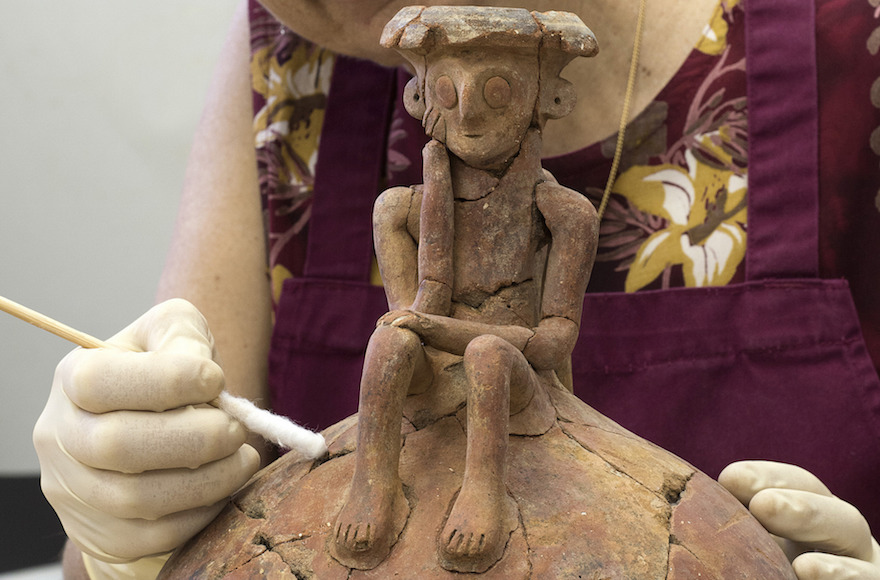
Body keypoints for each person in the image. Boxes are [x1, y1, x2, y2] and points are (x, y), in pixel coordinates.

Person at [31, 0, 880, 578]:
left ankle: (480, 486)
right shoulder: (298, 64)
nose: (470, 110)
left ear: (544, 90)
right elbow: (417, 303)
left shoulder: (566, 212)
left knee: (479, 356)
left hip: (519, 378)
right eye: (447, 91)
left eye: (498, 88)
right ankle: (377, 483)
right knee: (398, 342)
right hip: (438, 365)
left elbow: (551, 339)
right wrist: (118, 522)